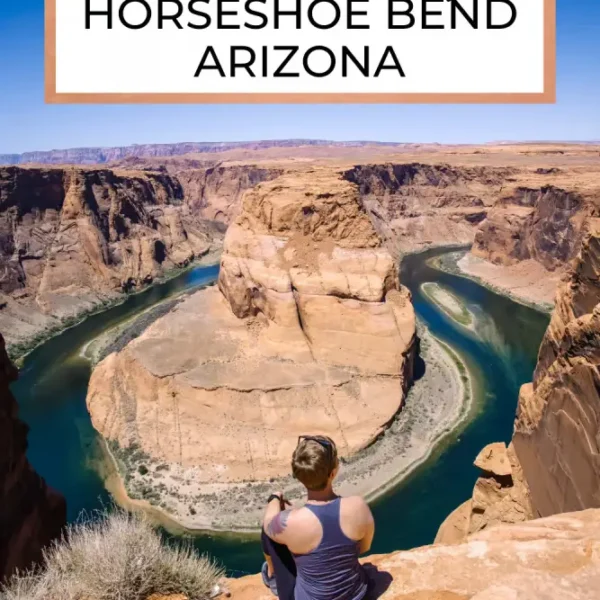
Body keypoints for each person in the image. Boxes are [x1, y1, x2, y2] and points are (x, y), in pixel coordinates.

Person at [262, 435, 375, 600]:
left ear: (299, 476)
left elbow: (267, 524)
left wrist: (275, 498)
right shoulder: (358, 506)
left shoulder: (291, 523)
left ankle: (271, 576)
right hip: (357, 595)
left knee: (269, 532)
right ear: (333, 472)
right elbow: (364, 548)